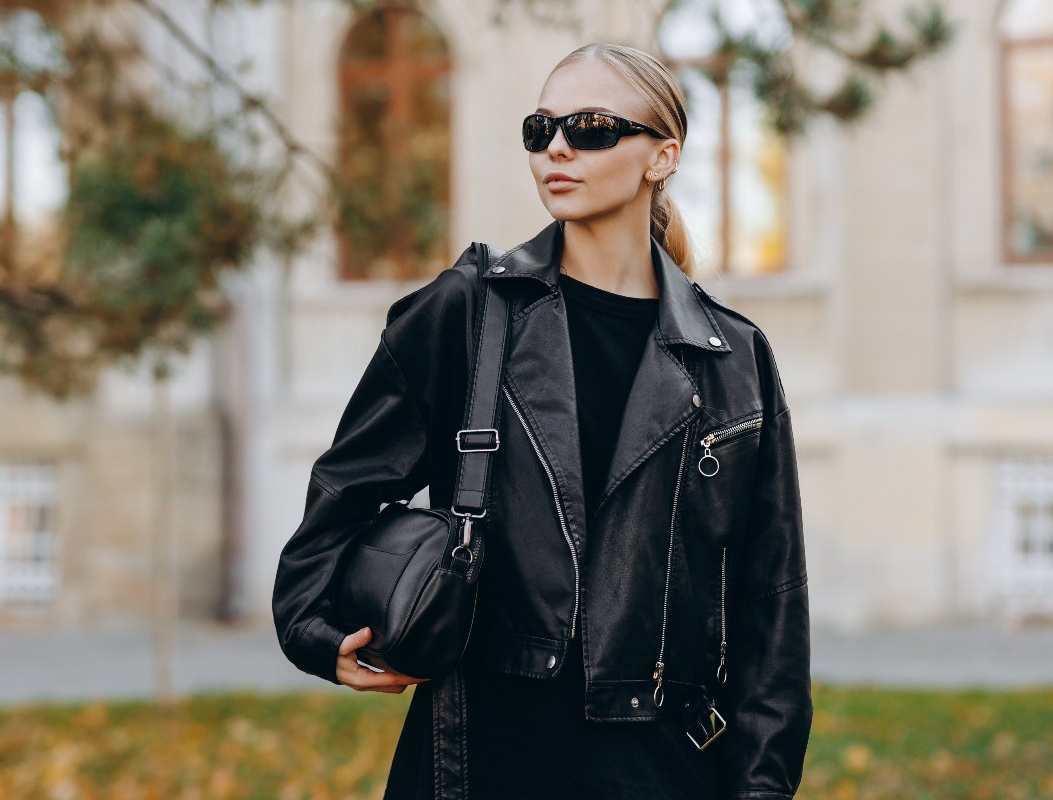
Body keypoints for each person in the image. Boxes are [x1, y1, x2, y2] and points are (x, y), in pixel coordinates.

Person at [273, 42, 812, 800]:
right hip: (480, 757)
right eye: (541, 128)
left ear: (663, 155)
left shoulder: (734, 359)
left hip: (662, 771)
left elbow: (771, 608)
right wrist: (315, 632)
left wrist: (761, 786)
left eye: (591, 128)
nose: (557, 147)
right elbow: (341, 495)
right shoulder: (465, 312)